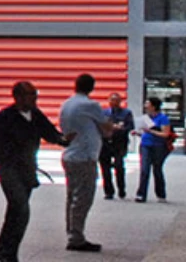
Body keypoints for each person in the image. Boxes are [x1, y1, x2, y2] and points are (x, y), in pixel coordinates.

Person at [0, 81, 74, 262]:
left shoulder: (35, 115)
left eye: (35, 95)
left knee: (16, 214)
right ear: (18, 97)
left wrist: (64, 140)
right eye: (30, 95)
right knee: (21, 209)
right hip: (9, 169)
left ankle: (7, 254)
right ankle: (4, 253)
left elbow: (50, 133)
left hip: (28, 170)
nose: (34, 99)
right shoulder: (5, 117)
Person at [58, 73, 113, 253]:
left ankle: (72, 233)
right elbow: (106, 129)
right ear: (92, 87)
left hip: (70, 155)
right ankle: (76, 237)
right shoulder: (91, 105)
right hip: (85, 157)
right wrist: (111, 127)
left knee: (72, 197)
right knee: (83, 198)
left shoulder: (66, 104)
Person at [134, 97, 173, 202]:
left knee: (157, 169)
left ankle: (161, 194)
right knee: (144, 169)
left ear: (154, 106)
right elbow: (144, 132)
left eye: (148, 104)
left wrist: (151, 131)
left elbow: (165, 134)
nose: (145, 106)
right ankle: (141, 194)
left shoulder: (163, 118)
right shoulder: (145, 118)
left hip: (158, 146)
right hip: (145, 144)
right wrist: (138, 133)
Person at [99, 92, 134, 200]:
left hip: (119, 143)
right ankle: (108, 191)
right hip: (105, 143)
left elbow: (130, 126)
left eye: (116, 100)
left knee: (119, 166)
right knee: (105, 168)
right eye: (112, 100)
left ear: (120, 102)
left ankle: (121, 188)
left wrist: (120, 129)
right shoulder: (103, 112)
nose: (114, 102)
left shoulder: (126, 113)